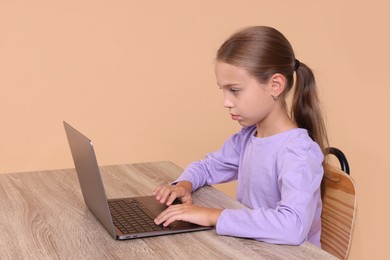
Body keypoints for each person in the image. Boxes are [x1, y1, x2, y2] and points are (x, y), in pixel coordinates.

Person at [153, 26, 328, 247]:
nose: (226, 102)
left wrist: (212, 215)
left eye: (235, 90)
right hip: (253, 248)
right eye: (223, 91)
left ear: (275, 85)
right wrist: (184, 185)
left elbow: (292, 226)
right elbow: (208, 167)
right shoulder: (249, 137)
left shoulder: (298, 152)